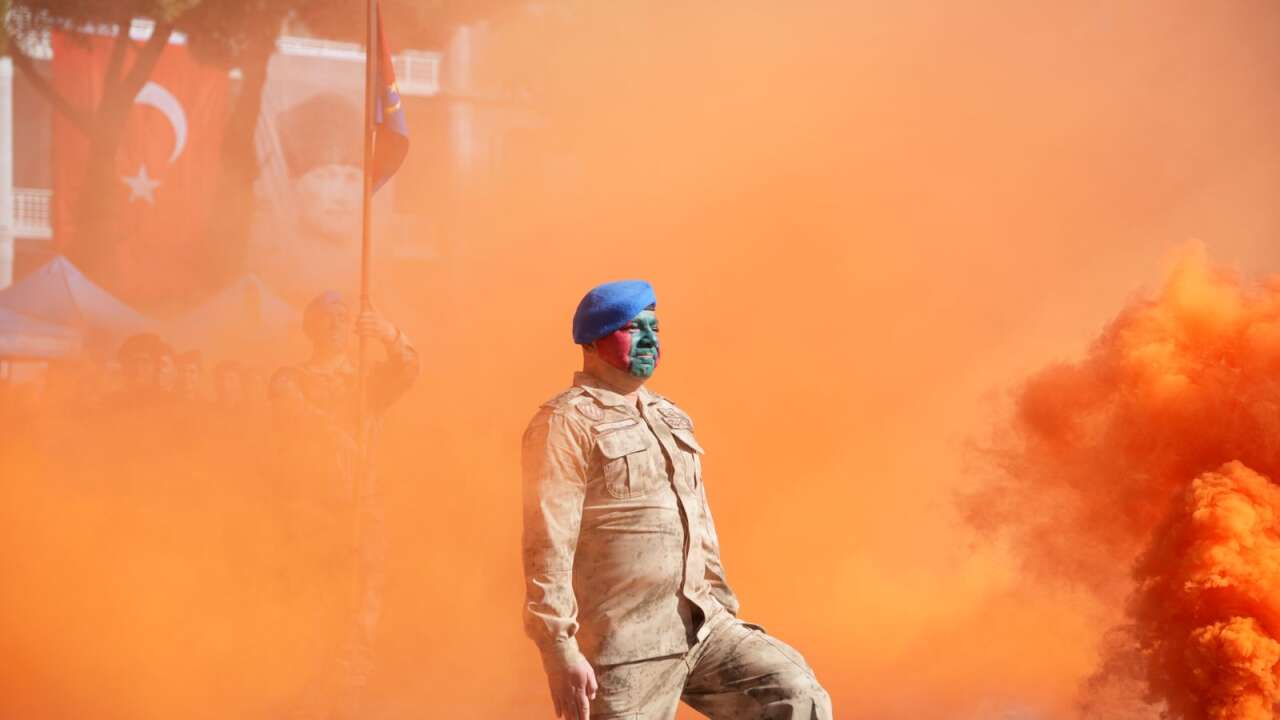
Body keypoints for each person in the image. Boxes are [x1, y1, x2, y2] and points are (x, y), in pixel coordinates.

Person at [522, 280, 832, 720]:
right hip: (625, 645)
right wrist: (559, 649)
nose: (649, 338)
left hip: (703, 628)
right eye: (632, 328)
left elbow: (700, 523)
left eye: (656, 327)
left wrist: (724, 609)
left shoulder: (671, 416)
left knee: (795, 692)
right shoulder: (565, 423)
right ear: (592, 341)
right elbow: (546, 540)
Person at [269, 290, 419, 720]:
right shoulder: (290, 377)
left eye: (344, 318)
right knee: (310, 603)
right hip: (309, 508)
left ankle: (348, 700)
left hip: (361, 507)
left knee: (360, 606)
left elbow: (408, 370)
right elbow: (294, 417)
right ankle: (304, 697)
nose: (336, 324)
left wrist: (389, 334)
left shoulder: (367, 381)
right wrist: (341, 437)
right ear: (309, 326)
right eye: (326, 317)